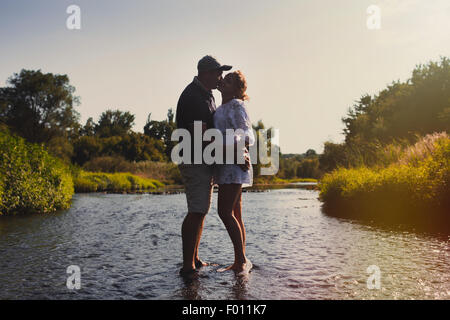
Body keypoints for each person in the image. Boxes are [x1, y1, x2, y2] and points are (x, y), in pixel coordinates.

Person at [176, 55, 232, 276]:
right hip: (194, 160)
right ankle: (187, 265)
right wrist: (233, 150)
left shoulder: (206, 95)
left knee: (200, 211)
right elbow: (201, 134)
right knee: (196, 211)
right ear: (206, 73)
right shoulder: (193, 96)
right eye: (218, 72)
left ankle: (195, 258)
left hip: (202, 160)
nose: (221, 77)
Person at [214, 70, 254, 275]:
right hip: (224, 164)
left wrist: (235, 149)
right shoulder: (219, 108)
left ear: (238, 89)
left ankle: (240, 262)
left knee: (224, 212)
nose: (223, 81)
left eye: (229, 80)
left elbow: (248, 134)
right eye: (224, 78)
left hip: (235, 163)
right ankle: (241, 259)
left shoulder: (237, 106)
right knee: (236, 213)